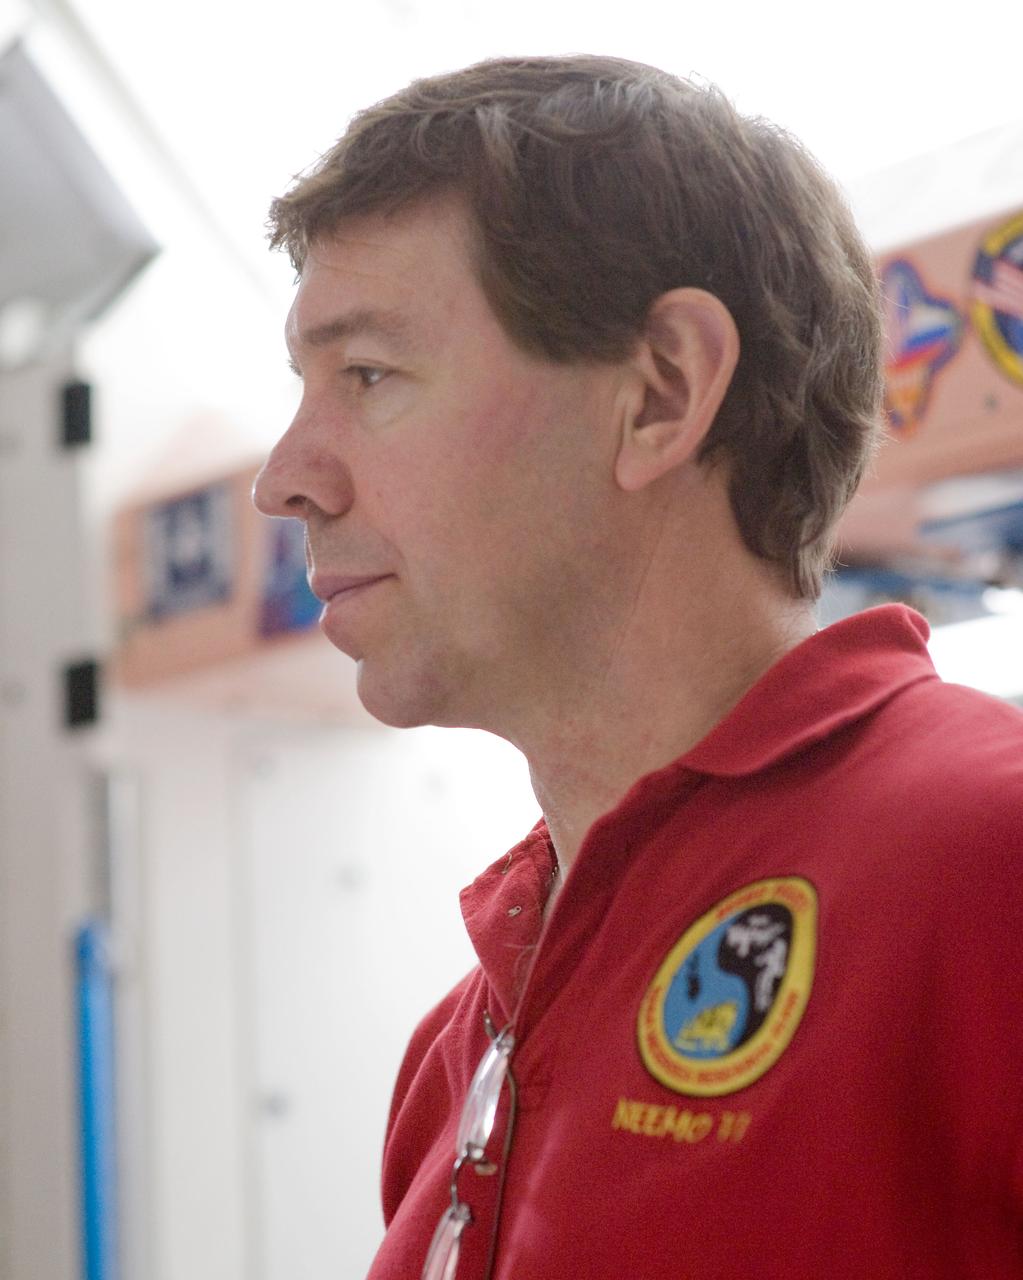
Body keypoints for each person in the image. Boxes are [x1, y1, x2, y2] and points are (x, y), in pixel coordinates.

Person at [252, 55, 1023, 1280]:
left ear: (662, 391)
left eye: (368, 374)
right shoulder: (454, 1050)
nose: (283, 476)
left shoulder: (991, 857)